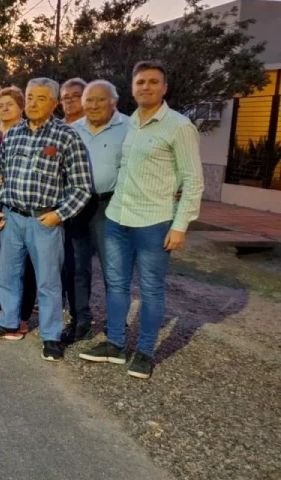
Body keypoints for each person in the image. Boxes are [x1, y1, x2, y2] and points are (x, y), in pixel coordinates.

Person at [80, 61, 204, 379]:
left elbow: (193, 180)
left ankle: (146, 352)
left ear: (164, 88)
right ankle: (116, 344)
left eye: (153, 82)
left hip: (154, 222)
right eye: (140, 82)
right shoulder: (130, 123)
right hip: (118, 217)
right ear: (132, 88)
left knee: (151, 289)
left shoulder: (178, 126)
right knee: (117, 286)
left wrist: (180, 225)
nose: (146, 87)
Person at [0, 78, 93, 363]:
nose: (32, 103)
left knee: (48, 283)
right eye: (30, 97)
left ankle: (51, 336)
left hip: (45, 221)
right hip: (12, 218)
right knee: (6, 276)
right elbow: (2, 178)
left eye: (40, 99)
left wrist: (59, 214)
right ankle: (8, 321)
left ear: (54, 104)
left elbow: (82, 187)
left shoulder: (66, 137)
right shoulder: (13, 134)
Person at [62, 80, 129, 343]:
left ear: (114, 102)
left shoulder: (128, 127)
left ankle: (116, 328)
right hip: (77, 206)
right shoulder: (72, 130)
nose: (93, 105)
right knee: (76, 267)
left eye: (100, 99)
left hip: (109, 206)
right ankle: (81, 321)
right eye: (89, 100)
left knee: (114, 269)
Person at [0, 87, 38, 335]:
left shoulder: (30, 132)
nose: (3, 108)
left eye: (9, 104)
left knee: (23, 260)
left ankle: (22, 312)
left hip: (20, 202)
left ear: (21, 107)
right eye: (0, 104)